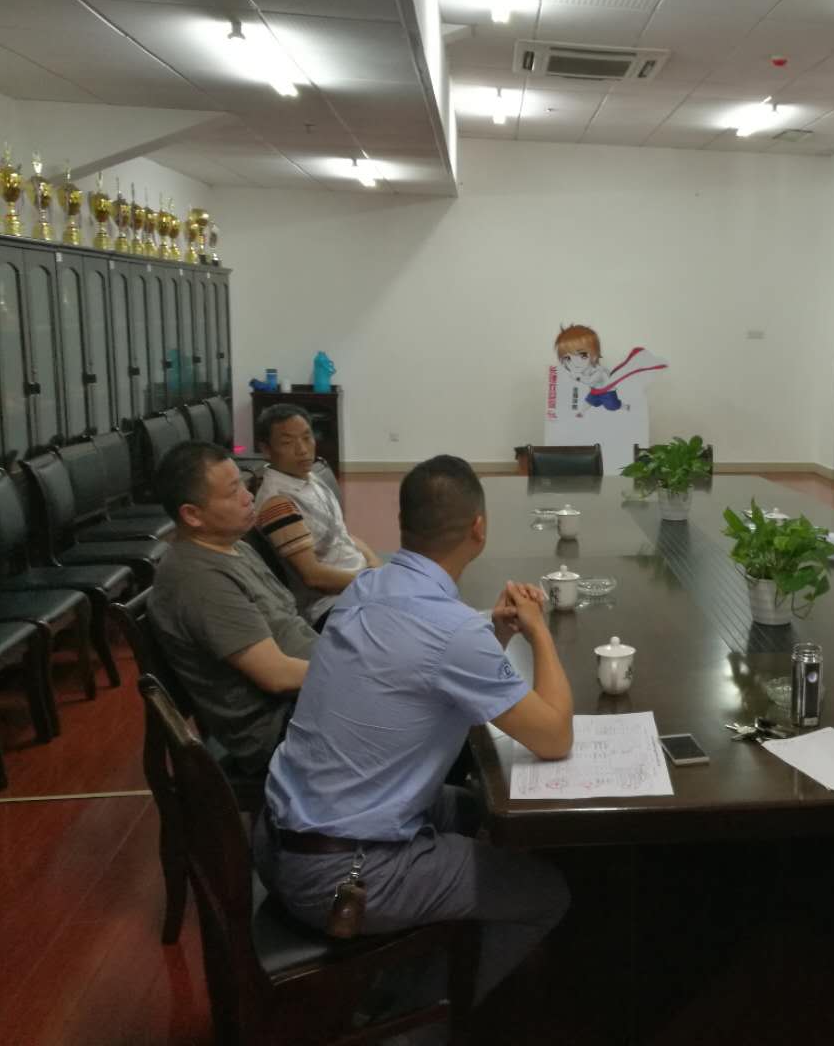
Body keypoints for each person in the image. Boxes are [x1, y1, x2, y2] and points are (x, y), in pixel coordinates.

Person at [255, 455, 572, 1003]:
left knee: (478, 807)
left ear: (404, 523)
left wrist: (495, 631)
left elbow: (420, 660)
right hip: (344, 876)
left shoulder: (366, 587)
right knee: (547, 893)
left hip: (277, 838)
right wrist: (538, 631)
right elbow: (555, 737)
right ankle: (412, 1018)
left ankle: (428, 944)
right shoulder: (453, 633)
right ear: (479, 528)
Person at [149, 441, 318, 776]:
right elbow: (277, 676)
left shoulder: (234, 545)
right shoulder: (199, 581)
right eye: (232, 492)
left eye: (243, 484)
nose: (248, 496)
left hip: (309, 695)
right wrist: (356, 672)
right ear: (192, 515)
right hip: (284, 728)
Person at [253, 403, 382, 627]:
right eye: (287, 442)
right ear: (266, 449)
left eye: (307, 437)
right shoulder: (278, 502)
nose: (302, 449)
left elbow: (344, 535)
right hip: (332, 606)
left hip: (359, 584)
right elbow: (313, 576)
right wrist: (371, 582)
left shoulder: (310, 477)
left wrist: (375, 567)